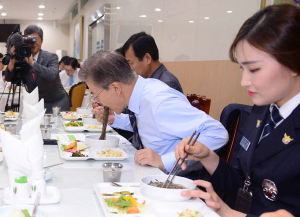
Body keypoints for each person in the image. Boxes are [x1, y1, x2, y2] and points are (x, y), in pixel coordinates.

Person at [174, 4, 300, 217]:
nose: (244, 81)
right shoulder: (262, 110)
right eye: (242, 68)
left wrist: (231, 216)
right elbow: (246, 183)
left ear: (295, 63)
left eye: (254, 69)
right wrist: (208, 157)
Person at [80, 51, 227, 173]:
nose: (98, 100)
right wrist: (115, 119)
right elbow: (150, 124)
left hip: (176, 182)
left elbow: (217, 132)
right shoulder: (141, 91)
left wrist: (164, 161)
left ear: (116, 88)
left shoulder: (159, 102)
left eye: (96, 94)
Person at [5, 25, 70, 111]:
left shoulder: (51, 57)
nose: (33, 43)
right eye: (29, 40)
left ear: (42, 40)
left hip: (56, 103)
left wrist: (32, 64)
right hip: (36, 104)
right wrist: (12, 62)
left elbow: (52, 75)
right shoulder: (22, 58)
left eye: (35, 39)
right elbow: (9, 78)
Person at [116, 32, 183, 93]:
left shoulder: (167, 84)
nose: (131, 69)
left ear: (147, 58)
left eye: (131, 63)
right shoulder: (146, 81)